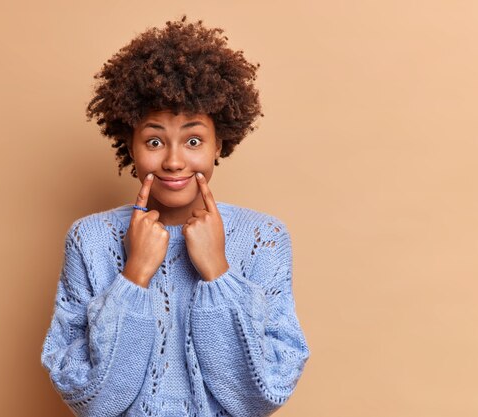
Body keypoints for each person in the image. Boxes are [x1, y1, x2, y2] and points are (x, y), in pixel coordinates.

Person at [40, 16, 310, 417]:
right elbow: (95, 402)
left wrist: (218, 271)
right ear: (128, 144)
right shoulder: (90, 239)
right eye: (154, 140)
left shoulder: (263, 237)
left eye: (194, 140)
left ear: (220, 142)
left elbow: (258, 398)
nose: (173, 160)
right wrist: (134, 276)